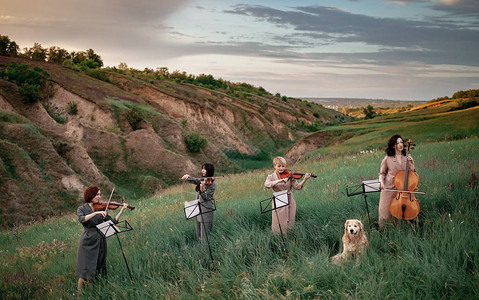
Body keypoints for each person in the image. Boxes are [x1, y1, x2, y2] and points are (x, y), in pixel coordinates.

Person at [75, 186, 129, 294]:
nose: (99, 196)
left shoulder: (102, 208)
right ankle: (79, 295)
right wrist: (95, 213)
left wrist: (122, 209)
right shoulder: (82, 209)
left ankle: (92, 293)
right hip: (87, 241)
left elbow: (113, 221)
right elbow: (82, 219)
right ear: (91, 195)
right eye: (97, 194)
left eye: (100, 194)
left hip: (100, 240)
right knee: (84, 270)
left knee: (97, 267)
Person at [264, 156, 311, 235]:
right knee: (279, 221)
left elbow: (297, 187)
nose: (281, 168)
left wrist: (305, 179)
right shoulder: (271, 176)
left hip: (289, 199)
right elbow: (267, 184)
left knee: (290, 219)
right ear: (274, 166)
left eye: (283, 166)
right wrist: (280, 180)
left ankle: (290, 236)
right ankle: (278, 237)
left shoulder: (289, 175)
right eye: (279, 166)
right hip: (279, 199)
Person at [378, 134, 416, 229]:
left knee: (399, 213)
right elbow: (382, 173)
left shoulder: (406, 157)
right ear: (393, 145)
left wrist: (412, 163)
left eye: (401, 142)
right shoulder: (387, 158)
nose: (400, 145)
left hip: (403, 189)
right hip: (389, 188)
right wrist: (382, 183)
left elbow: (412, 173)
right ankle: (383, 231)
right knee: (385, 214)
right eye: (397, 143)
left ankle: (399, 231)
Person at [181, 163, 216, 241]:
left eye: (204, 169)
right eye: (202, 168)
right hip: (198, 211)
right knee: (199, 236)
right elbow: (195, 180)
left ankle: (205, 251)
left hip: (206, 212)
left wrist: (202, 191)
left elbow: (207, 198)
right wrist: (188, 177)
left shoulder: (212, 184)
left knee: (205, 238)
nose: (202, 170)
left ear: (209, 171)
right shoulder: (203, 181)